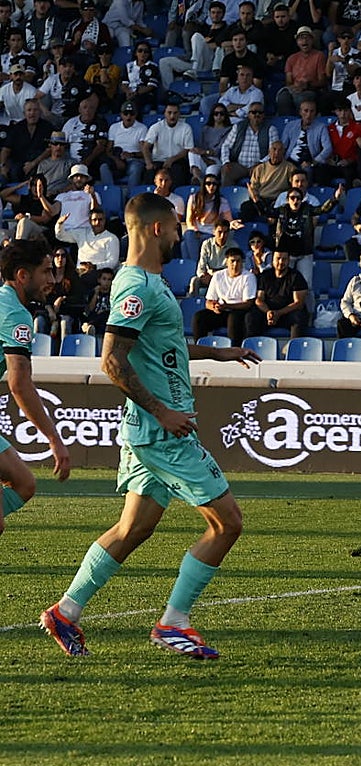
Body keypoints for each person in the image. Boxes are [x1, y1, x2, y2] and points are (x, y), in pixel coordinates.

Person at [39, 191, 260, 660]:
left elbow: (164, 344)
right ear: (158, 229)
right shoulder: (137, 287)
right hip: (162, 434)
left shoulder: (148, 284)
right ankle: (173, 623)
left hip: (148, 432)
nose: (180, 234)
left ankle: (65, 612)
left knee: (133, 529)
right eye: (176, 227)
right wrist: (162, 412)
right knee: (227, 524)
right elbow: (112, 360)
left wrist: (218, 353)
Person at [0, 239, 70, 537]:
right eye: (46, 272)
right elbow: (19, 384)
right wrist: (54, 439)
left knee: (24, 483)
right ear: (22, 275)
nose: (52, 279)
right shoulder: (15, 314)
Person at [192, 247, 256, 346]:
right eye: (232, 261)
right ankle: (199, 347)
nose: (235, 264)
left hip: (239, 310)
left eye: (238, 261)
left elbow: (248, 303)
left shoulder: (248, 277)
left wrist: (228, 306)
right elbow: (208, 302)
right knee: (199, 317)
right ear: (226, 262)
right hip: (221, 310)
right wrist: (214, 307)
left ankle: (234, 350)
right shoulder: (218, 276)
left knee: (234, 319)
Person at [245, 249, 308, 339]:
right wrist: (268, 312)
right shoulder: (265, 275)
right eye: (278, 258)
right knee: (251, 316)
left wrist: (279, 313)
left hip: (287, 313)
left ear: (288, 260)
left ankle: (294, 345)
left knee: (299, 317)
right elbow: (259, 300)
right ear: (272, 260)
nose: (281, 262)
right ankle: (252, 345)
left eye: (284, 259)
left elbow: (298, 303)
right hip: (268, 313)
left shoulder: (296, 276)